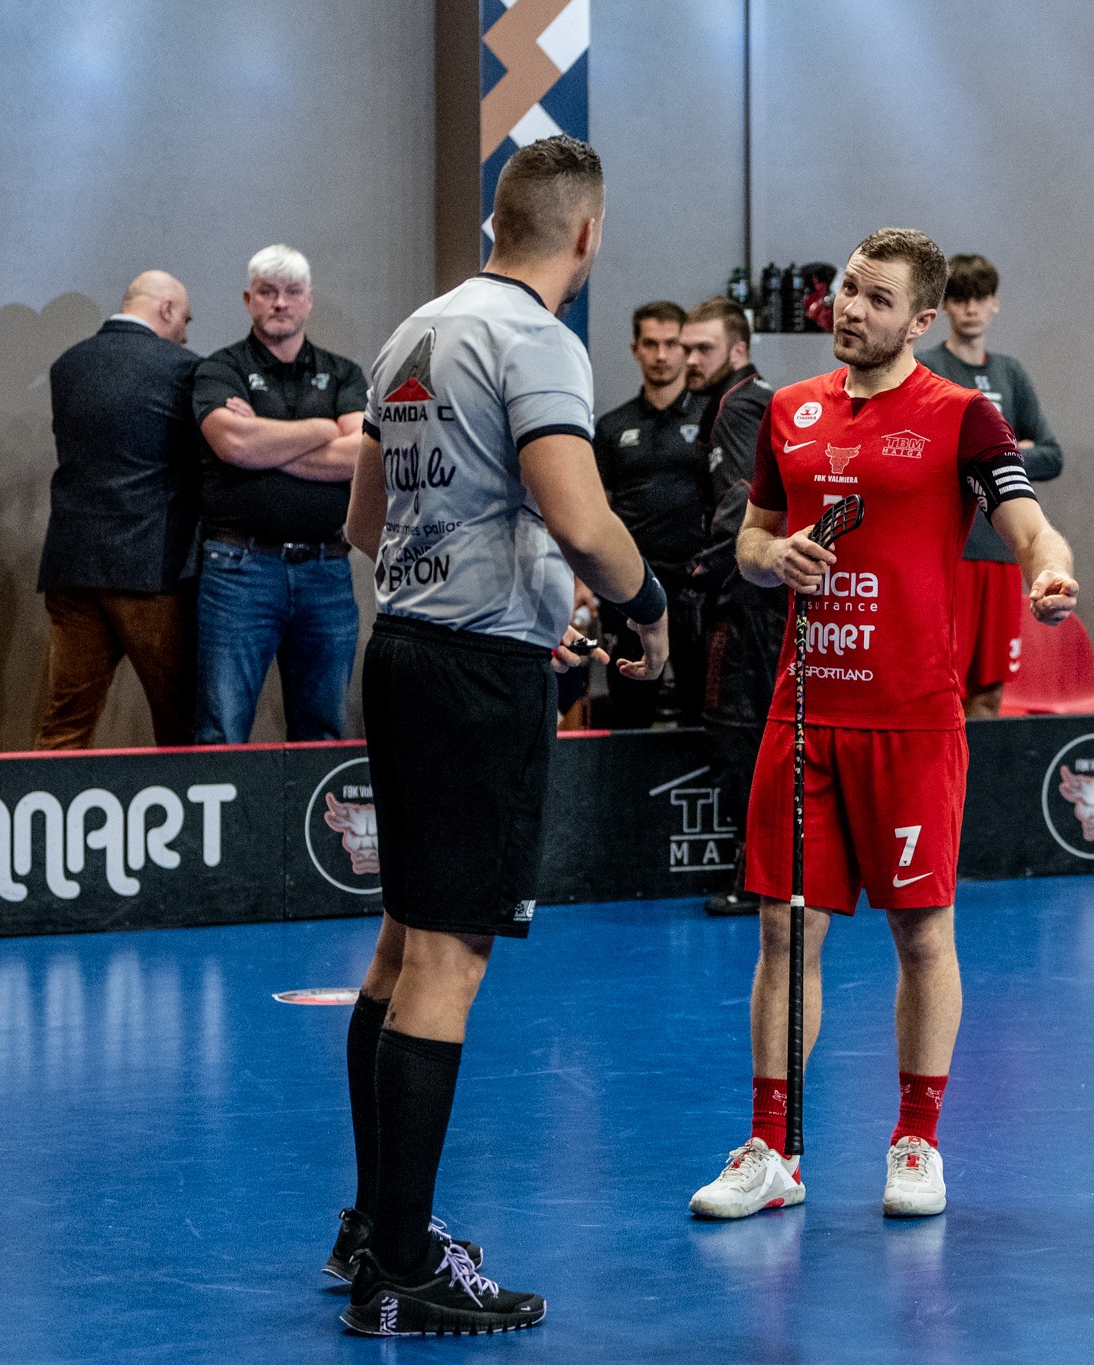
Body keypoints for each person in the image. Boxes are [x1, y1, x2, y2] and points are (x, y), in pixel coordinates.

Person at [335, 134, 667, 1337]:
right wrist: (645, 608)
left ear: (495, 223)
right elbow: (581, 516)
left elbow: (365, 520)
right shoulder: (537, 341)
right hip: (476, 680)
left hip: (405, 651)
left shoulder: (413, 334)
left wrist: (519, 581)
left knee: (399, 943)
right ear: (586, 232)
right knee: (448, 961)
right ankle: (401, 1274)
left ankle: (377, 1226)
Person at [687, 228, 1078, 1222]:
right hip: (804, 711)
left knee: (921, 933)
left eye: (876, 298)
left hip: (911, 722)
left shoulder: (963, 416)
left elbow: (1028, 523)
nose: (851, 310)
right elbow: (750, 539)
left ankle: (917, 1138)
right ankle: (773, 1149)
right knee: (784, 930)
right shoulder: (788, 409)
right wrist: (773, 556)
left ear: (921, 320)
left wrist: (1046, 571)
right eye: (848, 291)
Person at [191, 245, 369, 744]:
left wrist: (265, 445)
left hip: (326, 570)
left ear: (309, 299)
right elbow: (232, 443)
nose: (280, 303)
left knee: (323, 733)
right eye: (267, 292)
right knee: (222, 732)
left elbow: (361, 454)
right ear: (248, 299)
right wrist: (322, 428)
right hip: (239, 569)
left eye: (292, 292)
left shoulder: (344, 373)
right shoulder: (219, 369)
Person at [33, 271, 201, 747]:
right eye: (185, 320)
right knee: (181, 728)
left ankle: (48, 799)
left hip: (72, 566)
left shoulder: (67, 366)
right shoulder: (183, 369)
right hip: (153, 571)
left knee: (65, 726)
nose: (185, 334)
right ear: (166, 309)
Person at [916, 253, 1064, 718]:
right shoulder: (926, 368)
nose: (971, 308)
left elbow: (1052, 455)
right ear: (944, 306)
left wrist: (987, 457)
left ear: (995, 302)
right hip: (950, 553)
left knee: (989, 693)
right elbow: (922, 453)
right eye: (960, 298)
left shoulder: (1010, 373)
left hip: (1002, 552)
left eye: (980, 298)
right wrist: (1005, 451)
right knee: (943, 691)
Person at [677, 296, 782, 916]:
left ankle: (757, 878)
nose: (690, 359)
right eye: (686, 347)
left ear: (738, 351)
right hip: (761, 595)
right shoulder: (753, 399)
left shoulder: (739, 404)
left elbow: (743, 500)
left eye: (704, 349)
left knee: (737, 734)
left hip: (747, 600)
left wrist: (698, 578)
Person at [593, 300, 710, 726]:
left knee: (703, 711)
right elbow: (597, 509)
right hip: (631, 584)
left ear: (686, 350)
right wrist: (584, 581)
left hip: (698, 586)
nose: (661, 355)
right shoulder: (611, 426)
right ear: (635, 349)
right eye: (650, 344)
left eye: (671, 344)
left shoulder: (714, 417)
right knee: (629, 709)